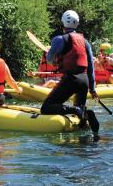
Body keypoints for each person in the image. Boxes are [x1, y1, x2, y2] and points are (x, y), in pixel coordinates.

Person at [40, 10, 100, 139]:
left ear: (63, 23)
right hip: (84, 80)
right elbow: (90, 67)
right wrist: (93, 88)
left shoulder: (58, 39)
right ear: (77, 24)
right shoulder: (85, 42)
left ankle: (76, 110)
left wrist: (56, 59)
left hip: (71, 79)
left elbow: (50, 60)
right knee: (81, 117)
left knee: (46, 108)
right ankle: (85, 115)